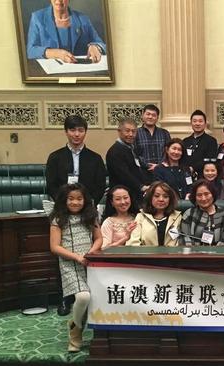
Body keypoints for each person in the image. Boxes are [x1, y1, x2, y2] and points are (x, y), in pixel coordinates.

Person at [48, 183, 102, 352]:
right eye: (70, 199)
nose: (75, 202)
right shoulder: (57, 219)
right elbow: (55, 247)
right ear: (64, 200)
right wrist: (77, 257)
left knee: (90, 298)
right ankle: (76, 329)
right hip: (69, 263)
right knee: (84, 297)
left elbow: (99, 239)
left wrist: (90, 253)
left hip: (89, 262)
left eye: (79, 198)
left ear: (85, 200)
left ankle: (76, 324)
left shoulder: (92, 216)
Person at [45, 115, 107, 204]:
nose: (77, 134)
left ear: (85, 132)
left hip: (88, 207)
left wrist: (88, 203)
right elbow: (51, 185)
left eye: (81, 130)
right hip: (62, 206)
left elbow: (100, 186)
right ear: (66, 132)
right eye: (72, 130)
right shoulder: (55, 157)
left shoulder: (95, 159)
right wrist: (63, 202)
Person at [26, 0, 107, 62]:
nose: (58, 0)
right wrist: (56, 53)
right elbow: (31, 51)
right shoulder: (37, 17)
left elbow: (102, 45)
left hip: (79, 73)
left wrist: (95, 47)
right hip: (51, 76)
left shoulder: (83, 19)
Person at [106, 118, 150, 203]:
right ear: (119, 131)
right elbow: (124, 175)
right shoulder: (115, 151)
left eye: (133, 131)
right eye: (127, 131)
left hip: (134, 195)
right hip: (121, 197)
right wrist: (141, 187)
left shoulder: (131, 148)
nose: (130, 134)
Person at [127, 182, 182, 247]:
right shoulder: (140, 217)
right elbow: (133, 243)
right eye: (156, 196)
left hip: (171, 255)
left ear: (170, 199)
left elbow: (180, 242)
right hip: (146, 255)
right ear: (150, 198)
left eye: (165, 196)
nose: (161, 199)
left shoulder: (178, 217)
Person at [180, 179, 224, 246]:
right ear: (195, 197)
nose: (203, 198)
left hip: (218, 254)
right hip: (194, 253)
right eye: (199, 195)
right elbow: (185, 238)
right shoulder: (189, 214)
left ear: (213, 194)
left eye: (206, 194)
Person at [135, 104, 171, 180]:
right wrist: (147, 165)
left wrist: (159, 165)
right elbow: (134, 154)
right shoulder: (136, 133)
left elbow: (168, 152)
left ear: (157, 118)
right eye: (148, 114)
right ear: (142, 115)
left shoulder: (164, 133)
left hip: (163, 173)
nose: (150, 117)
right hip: (142, 173)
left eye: (153, 115)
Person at [100, 185, 139, 249]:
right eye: (118, 199)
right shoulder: (109, 222)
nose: (123, 202)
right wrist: (125, 238)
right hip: (116, 258)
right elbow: (104, 248)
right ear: (112, 203)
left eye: (125, 198)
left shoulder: (138, 218)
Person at [182, 110, 218, 178]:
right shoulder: (185, 141)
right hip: (187, 176)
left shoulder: (211, 141)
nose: (197, 124)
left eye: (200, 121)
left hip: (204, 177)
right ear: (191, 123)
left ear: (205, 124)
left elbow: (209, 159)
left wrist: (193, 168)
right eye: (194, 121)